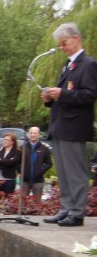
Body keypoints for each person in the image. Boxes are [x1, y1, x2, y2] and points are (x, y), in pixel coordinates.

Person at [41, 22, 97, 227]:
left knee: (75, 172)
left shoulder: (88, 64)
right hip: (60, 125)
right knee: (63, 172)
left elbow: (90, 95)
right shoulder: (68, 65)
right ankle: (65, 208)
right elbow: (66, 96)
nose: (62, 47)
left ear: (76, 38)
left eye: (64, 43)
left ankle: (77, 211)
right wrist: (50, 98)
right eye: (60, 44)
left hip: (74, 127)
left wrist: (62, 93)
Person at [21, 126, 52, 200]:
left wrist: (41, 171)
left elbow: (49, 163)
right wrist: (21, 171)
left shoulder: (44, 149)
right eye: (31, 133)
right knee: (22, 202)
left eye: (35, 133)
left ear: (39, 135)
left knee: (37, 204)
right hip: (25, 180)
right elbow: (17, 162)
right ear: (28, 134)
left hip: (38, 180)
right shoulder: (23, 148)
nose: (33, 135)